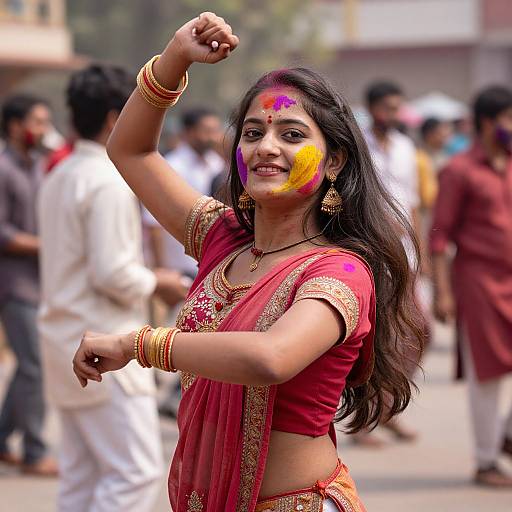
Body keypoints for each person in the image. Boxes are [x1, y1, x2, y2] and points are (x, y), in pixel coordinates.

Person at [72, 13, 423, 511]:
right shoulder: (223, 238)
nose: (266, 147)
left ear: (335, 161)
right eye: (253, 132)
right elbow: (129, 151)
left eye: (293, 135)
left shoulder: (339, 271)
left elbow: (270, 358)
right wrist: (174, 59)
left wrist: (139, 344)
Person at [38, 64, 188, 511]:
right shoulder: (107, 180)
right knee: (134, 474)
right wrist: (161, 281)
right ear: (112, 119)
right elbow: (113, 274)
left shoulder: (61, 174)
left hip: (64, 338)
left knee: (82, 478)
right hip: (103, 345)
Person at [431, 85, 512, 487]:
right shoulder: (460, 170)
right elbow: (440, 235)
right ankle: (486, 460)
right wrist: (443, 292)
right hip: (478, 281)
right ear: (487, 122)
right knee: (488, 372)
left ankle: (507, 435)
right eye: (509, 119)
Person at [362, 81, 426, 444]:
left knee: (420, 330)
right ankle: (368, 416)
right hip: (372, 252)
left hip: (406, 254)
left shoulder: (405, 147)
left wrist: (422, 256)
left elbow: (412, 204)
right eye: (387, 107)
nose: (393, 114)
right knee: (374, 338)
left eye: (397, 107)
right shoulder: (358, 145)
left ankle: (386, 405)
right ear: (372, 108)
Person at [0, 94, 57, 476]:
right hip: (13, 284)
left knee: (30, 366)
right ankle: (35, 451)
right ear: (15, 126)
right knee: (34, 367)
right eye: (37, 121)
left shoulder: (37, 166)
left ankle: (1, 437)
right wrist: (51, 245)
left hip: (39, 282)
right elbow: (2, 233)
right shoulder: (3, 168)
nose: (43, 129)